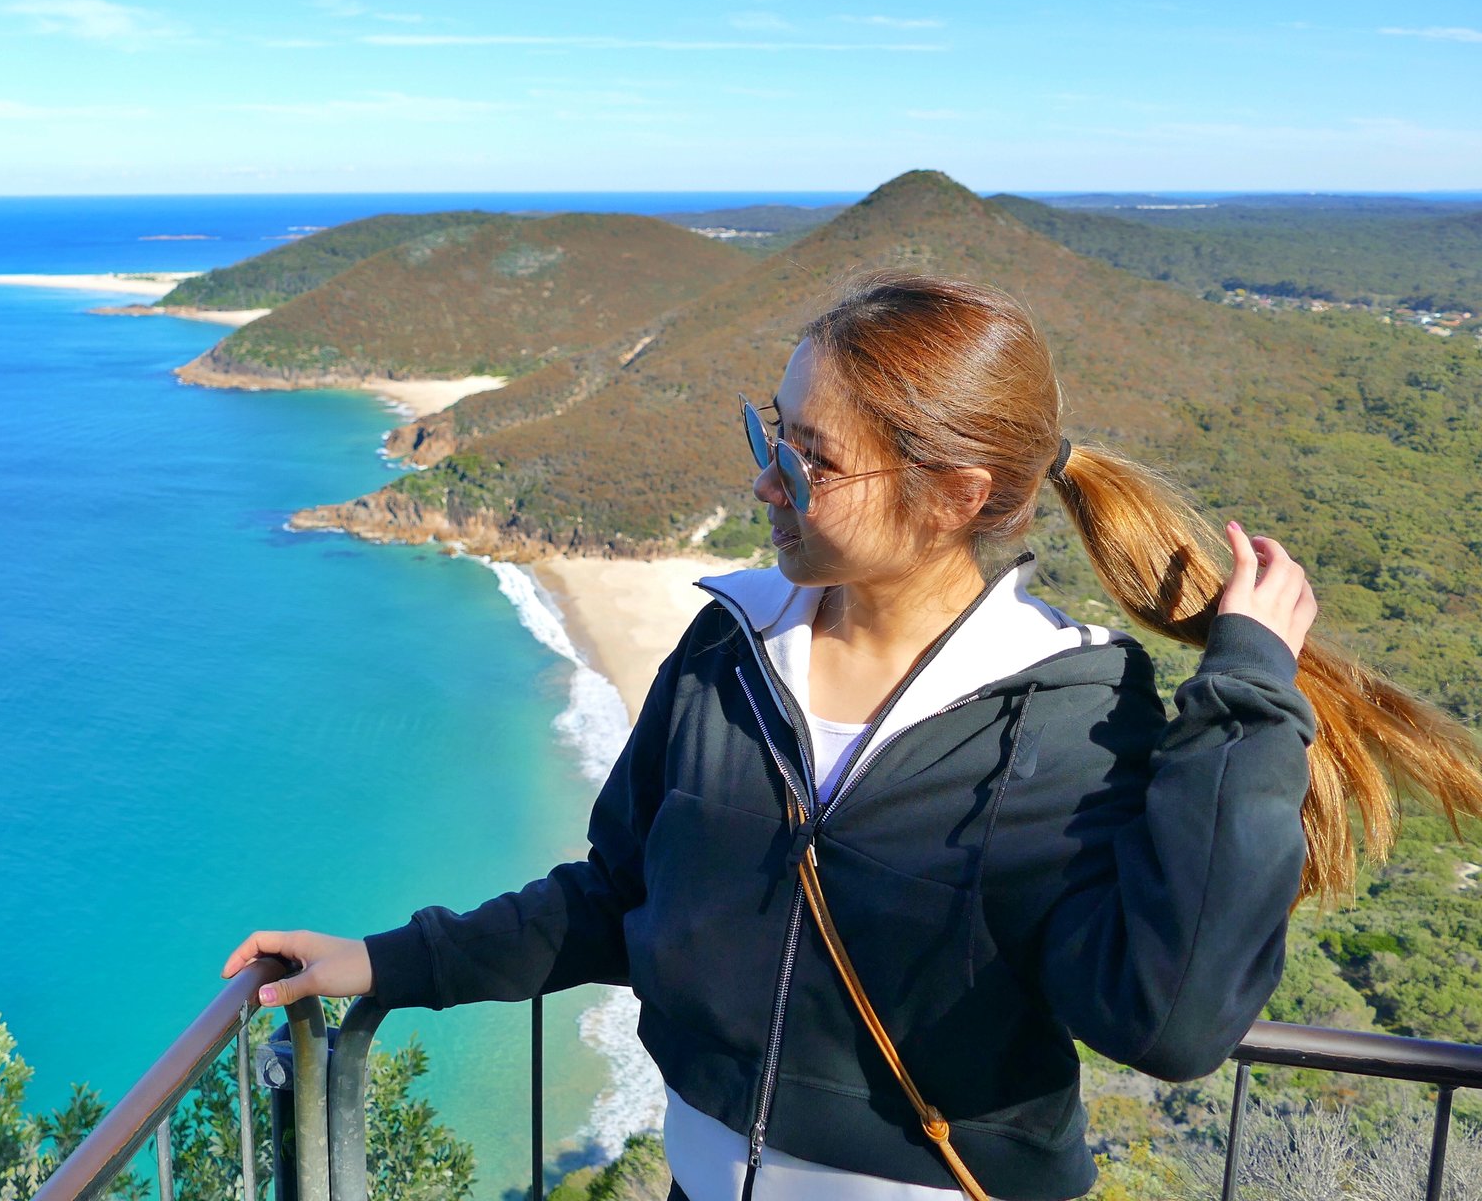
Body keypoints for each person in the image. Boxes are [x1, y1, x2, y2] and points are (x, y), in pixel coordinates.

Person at [222, 269, 1482, 1201]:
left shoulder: (1075, 713)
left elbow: (1170, 1021)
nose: (767, 478)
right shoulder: (728, 654)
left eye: (808, 457)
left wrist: (1250, 698)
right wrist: (385, 963)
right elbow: (613, 896)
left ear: (956, 496)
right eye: (767, 432)